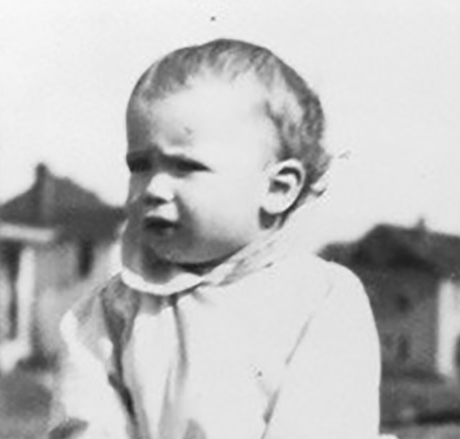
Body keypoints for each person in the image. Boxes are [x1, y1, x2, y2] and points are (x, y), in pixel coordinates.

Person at [49, 38, 383, 439]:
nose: (153, 188)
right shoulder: (113, 311)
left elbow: (322, 424)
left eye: (185, 166)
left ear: (277, 188)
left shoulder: (320, 297)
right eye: (140, 165)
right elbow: (86, 421)